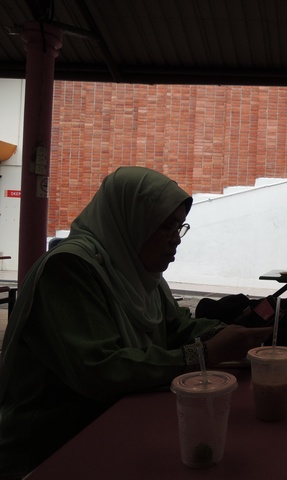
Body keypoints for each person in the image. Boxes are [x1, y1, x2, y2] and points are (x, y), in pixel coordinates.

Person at [0, 167, 271, 479]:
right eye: (166, 227)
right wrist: (203, 354)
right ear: (130, 221)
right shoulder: (69, 269)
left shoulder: (140, 274)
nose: (176, 240)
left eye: (179, 227)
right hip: (51, 450)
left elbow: (176, 328)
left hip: (113, 431)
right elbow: (101, 369)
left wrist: (232, 335)